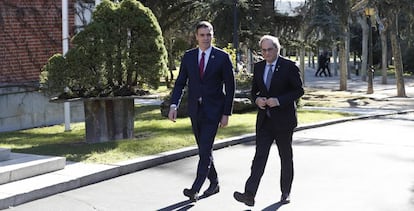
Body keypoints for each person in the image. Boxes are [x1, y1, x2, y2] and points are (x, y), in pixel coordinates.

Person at [168, 21, 235, 202]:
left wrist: (226, 113)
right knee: (204, 150)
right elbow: (181, 83)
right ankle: (214, 183)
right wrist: (174, 105)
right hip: (195, 110)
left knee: (205, 148)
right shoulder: (189, 57)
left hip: (214, 111)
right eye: (202, 35)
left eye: (209, 34)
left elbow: (230, 87)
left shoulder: (222, 57)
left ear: (213, 35)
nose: (206, 38)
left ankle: (195, 188)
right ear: (196, 36)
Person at [233, 35, 304, 206]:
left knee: (285, 157)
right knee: (259, 157)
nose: (266, 53)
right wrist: (257, 100)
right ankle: (249, 194)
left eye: (269, 50)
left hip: (284, 121)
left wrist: (279, 100)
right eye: (263, 50)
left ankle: (285, 192)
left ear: (276, 49)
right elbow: (254, 91)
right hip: (265, 120)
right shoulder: (258, 67)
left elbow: (298, 91)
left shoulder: (288, 66)